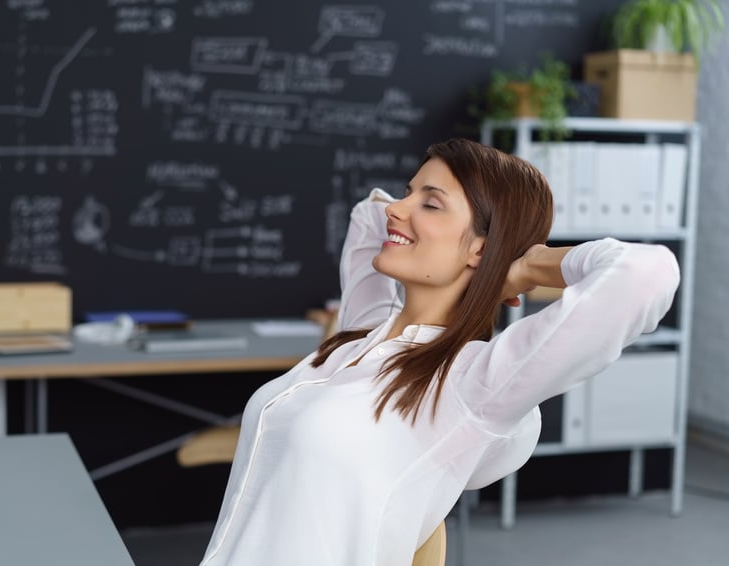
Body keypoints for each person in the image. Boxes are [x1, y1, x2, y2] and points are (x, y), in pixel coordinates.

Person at [199, 138, 680, 566]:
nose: (398, 208)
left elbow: (646, 275)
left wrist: (528, 263)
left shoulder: (469, 383)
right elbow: (370, 213)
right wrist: (464, 242)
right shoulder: (365, 331)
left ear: (481, 248)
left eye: (430, 204)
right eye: (409, 192)